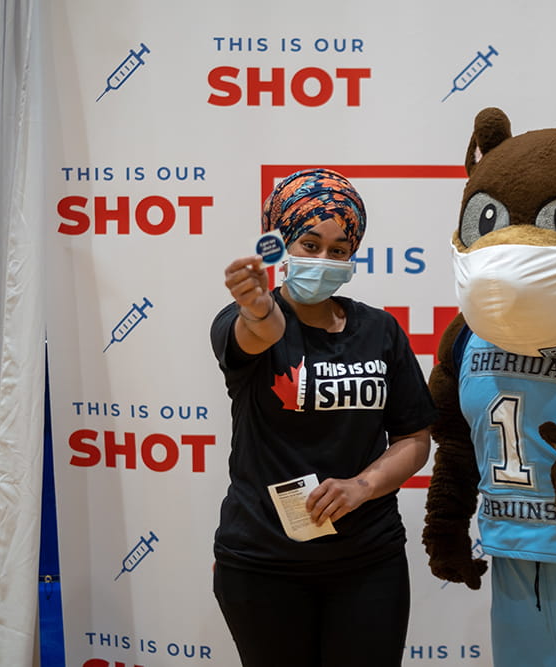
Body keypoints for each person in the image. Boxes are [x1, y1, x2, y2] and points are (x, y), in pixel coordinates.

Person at [210, 168, 436, 667]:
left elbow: (414, 439)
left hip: (368, 561)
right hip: (263, 562)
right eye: (309, 245)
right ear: (281, 244)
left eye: (339, 250)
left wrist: (363, 486)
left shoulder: (380, 329)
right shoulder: (244, 322)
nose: (323, 260)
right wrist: (253, 306)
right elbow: (262, 332)